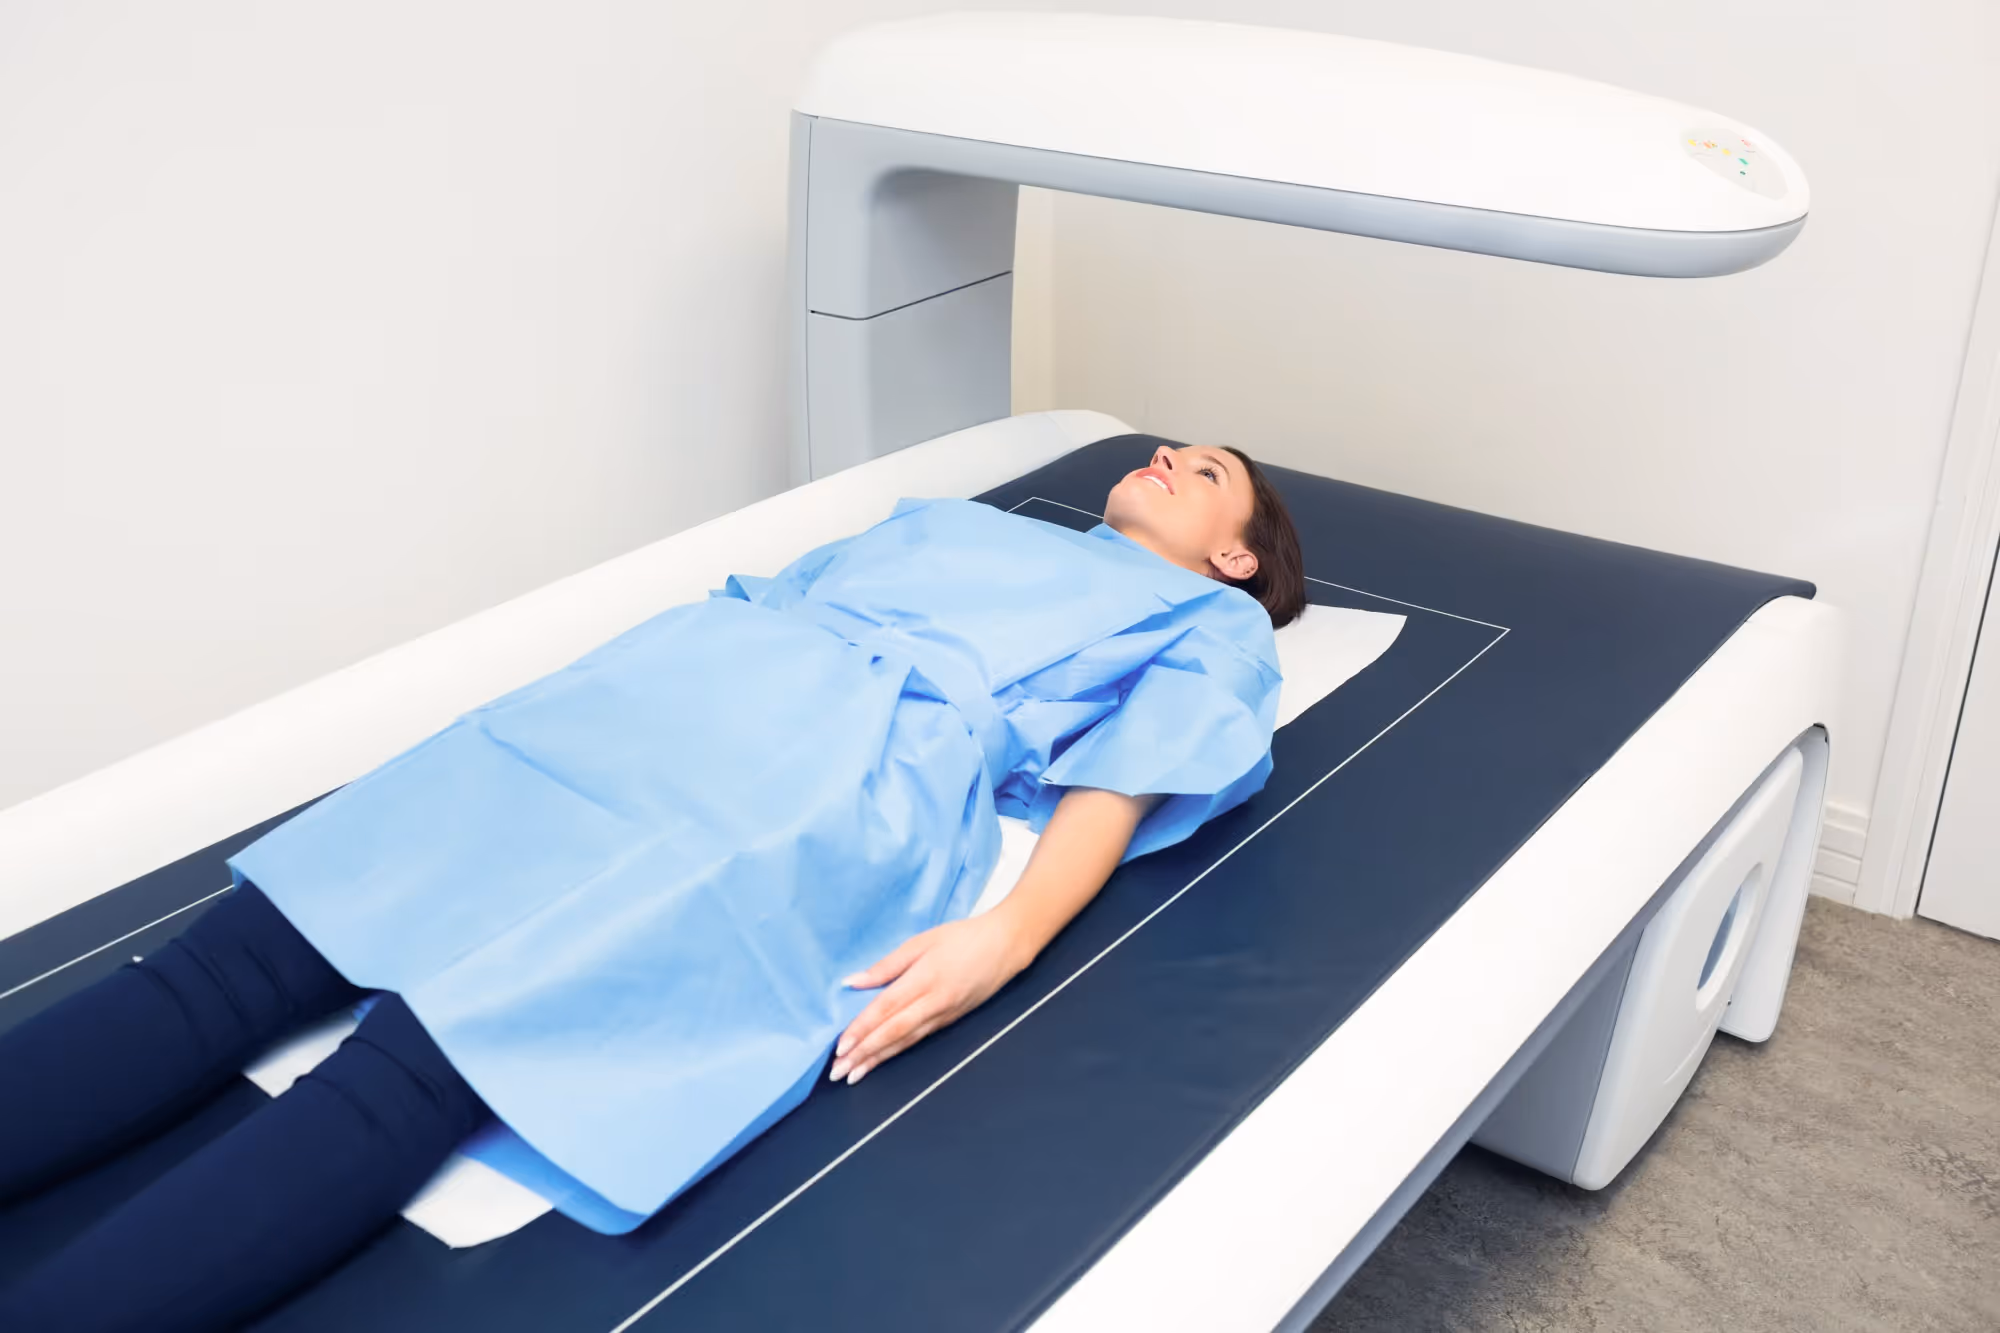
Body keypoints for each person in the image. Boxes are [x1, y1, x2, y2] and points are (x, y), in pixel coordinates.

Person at [0, 442, 1307, 1332]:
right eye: (1168, 446)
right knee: (238, 959)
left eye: (1207, 477)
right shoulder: (951, 522)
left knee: (437, 1061)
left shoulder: (1213, 628)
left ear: (1239, 558)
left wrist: (1008, 935)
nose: (1167, 458)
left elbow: (1124, 782)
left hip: (833, 780)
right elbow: (772, 597)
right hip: (659, 690)